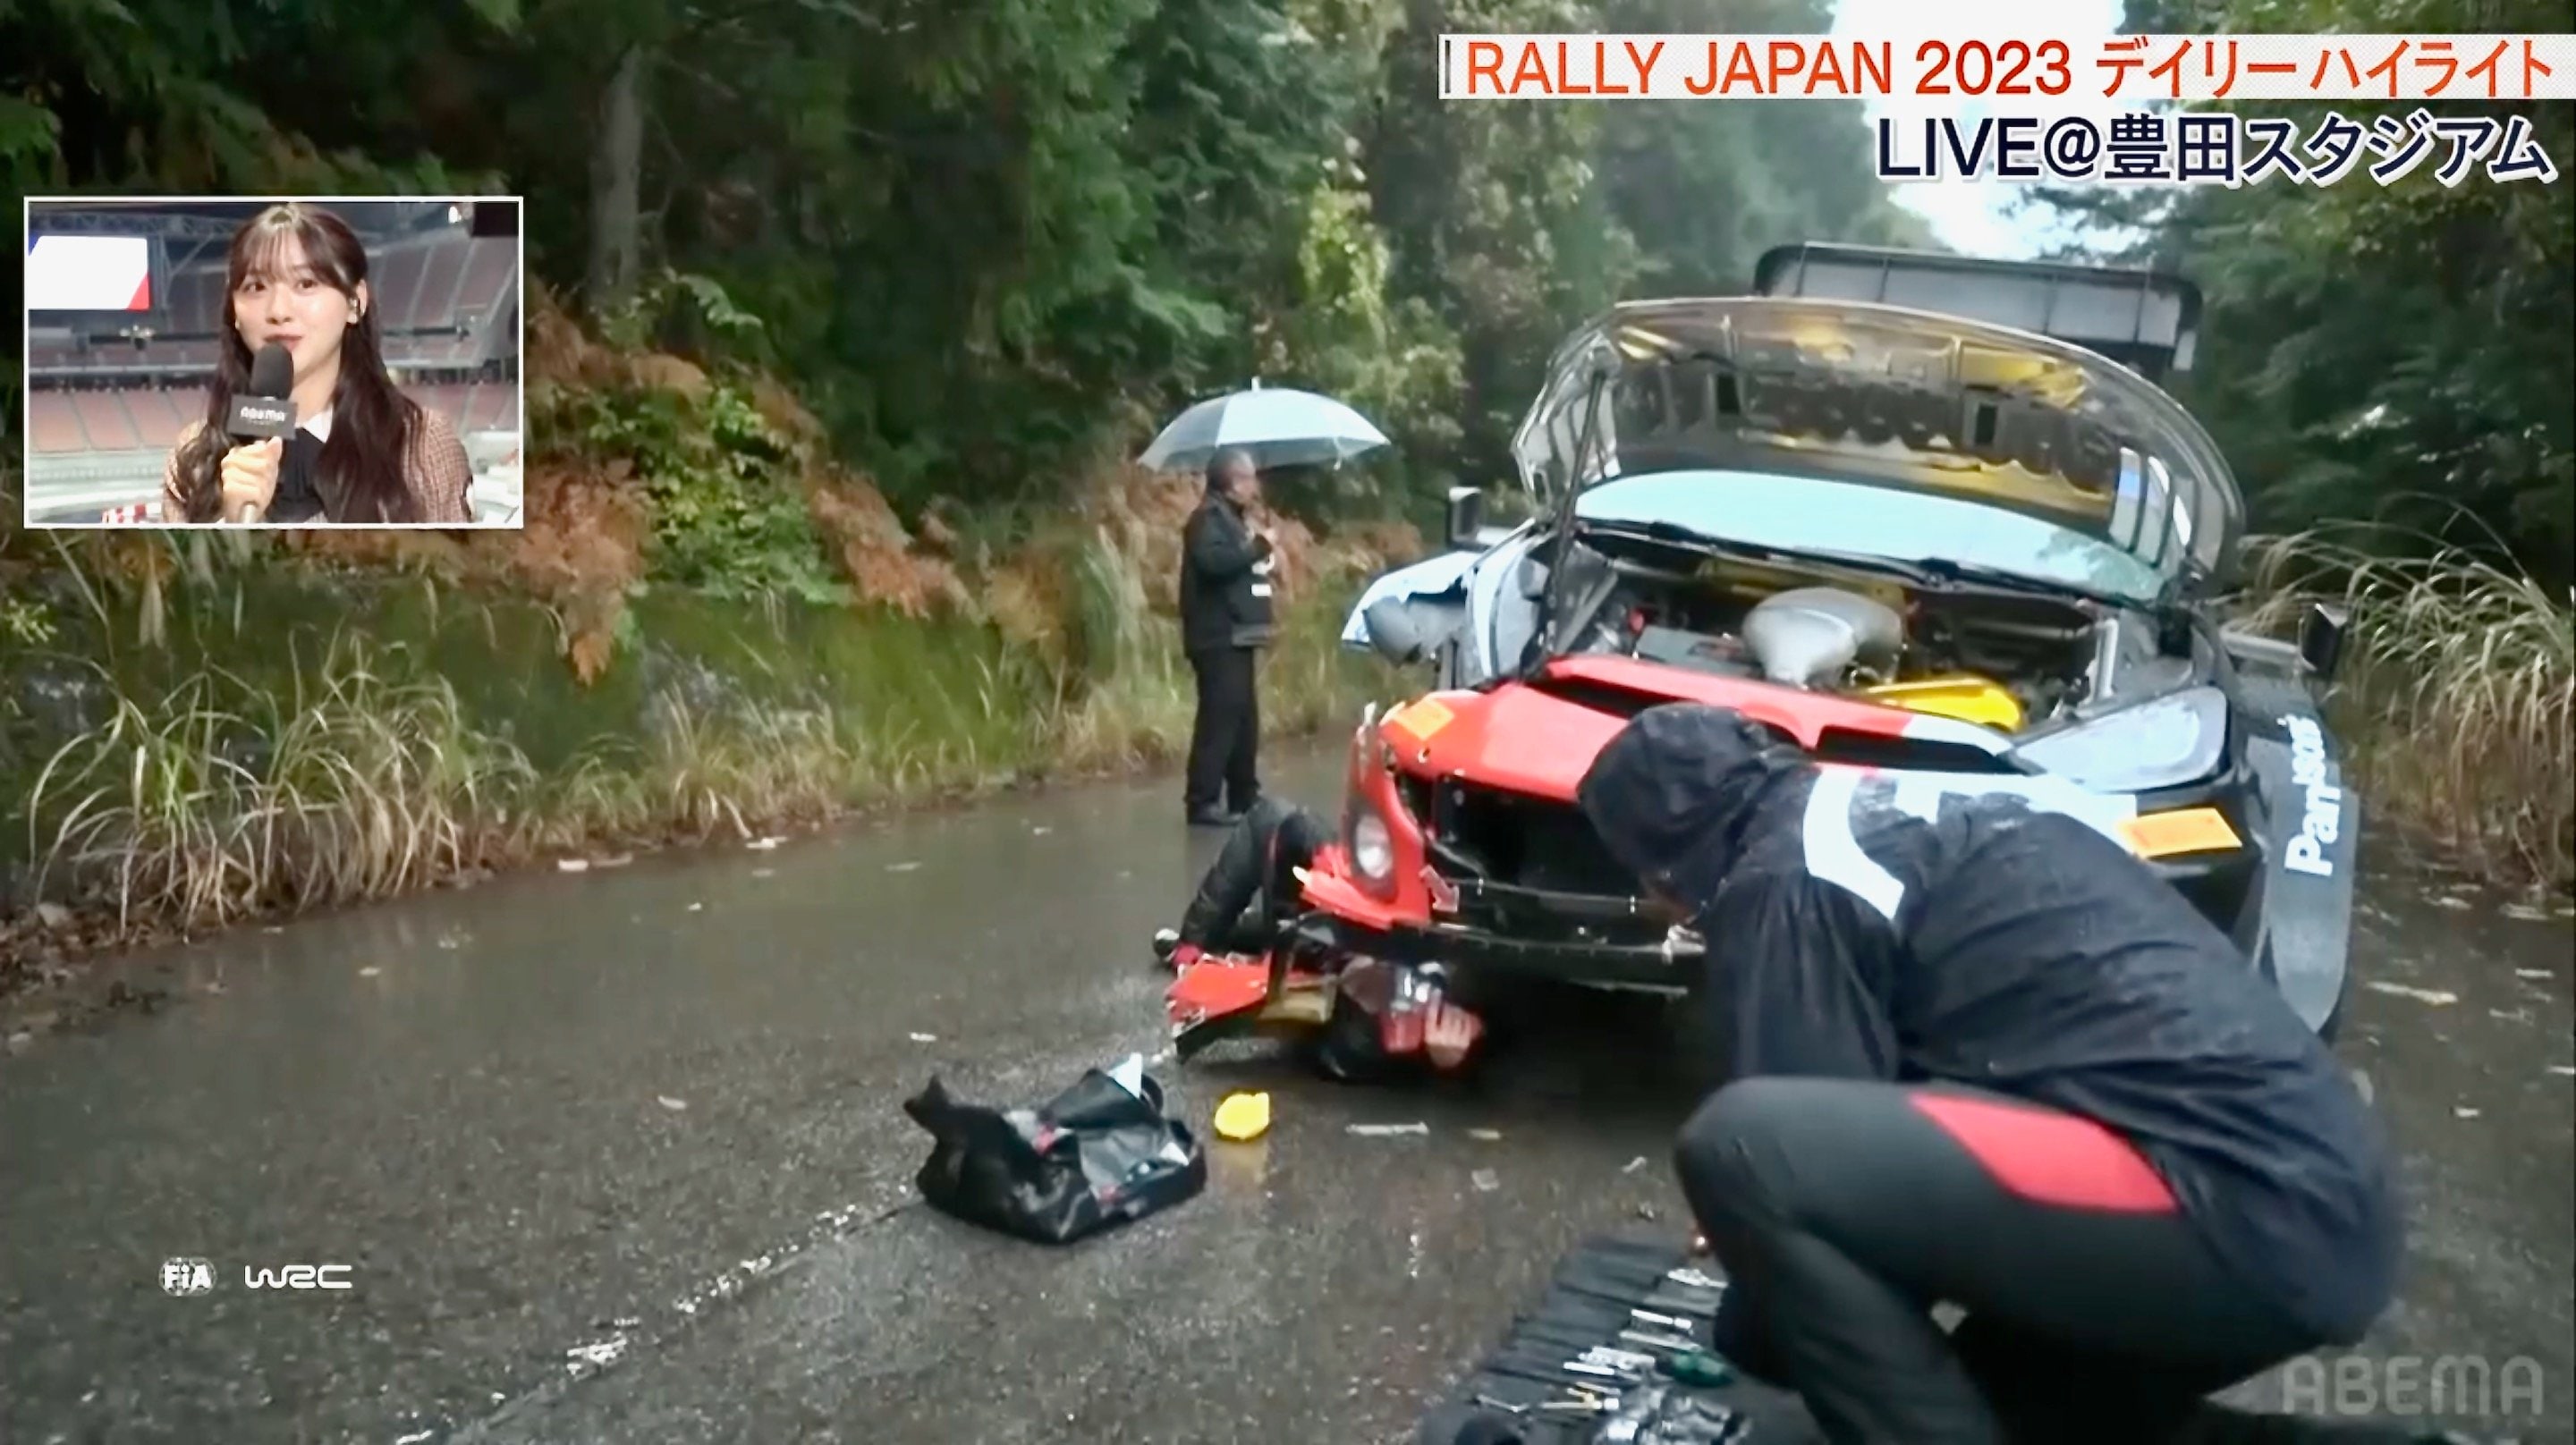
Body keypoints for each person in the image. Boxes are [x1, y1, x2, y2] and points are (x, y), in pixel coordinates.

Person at [1573, 702, 2417, 1445]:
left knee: (1743, 1150)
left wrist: (1756, 1291)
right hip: (2321, 1207)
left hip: (2230, 1202)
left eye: (1640, 873)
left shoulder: (1791, 881)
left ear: (1666, 853)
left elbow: (1791, 1212)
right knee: (1985, 1406)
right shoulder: (1916, 813)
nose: (1655, 901)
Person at [163, 202, 473, 525]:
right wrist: (231, 526)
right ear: (234, 314)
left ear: (356, 302)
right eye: (256, 287)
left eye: (306, 284)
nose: (279, 310)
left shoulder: (423, 445)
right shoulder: (192, 459)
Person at [1177, 448, 1276, 826]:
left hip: (1240, 633)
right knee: (1219, 718)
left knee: (1244, 719)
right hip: (1217, 636)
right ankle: (1201, 800)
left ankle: (1244, 794)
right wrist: (1255, 547)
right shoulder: (1206, 519)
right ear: (1233, 482)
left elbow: (1241, 564)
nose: (1255, 486)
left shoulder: (1234, 520)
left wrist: (1261, 550)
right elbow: (1213, 562)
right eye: (1249, 478)